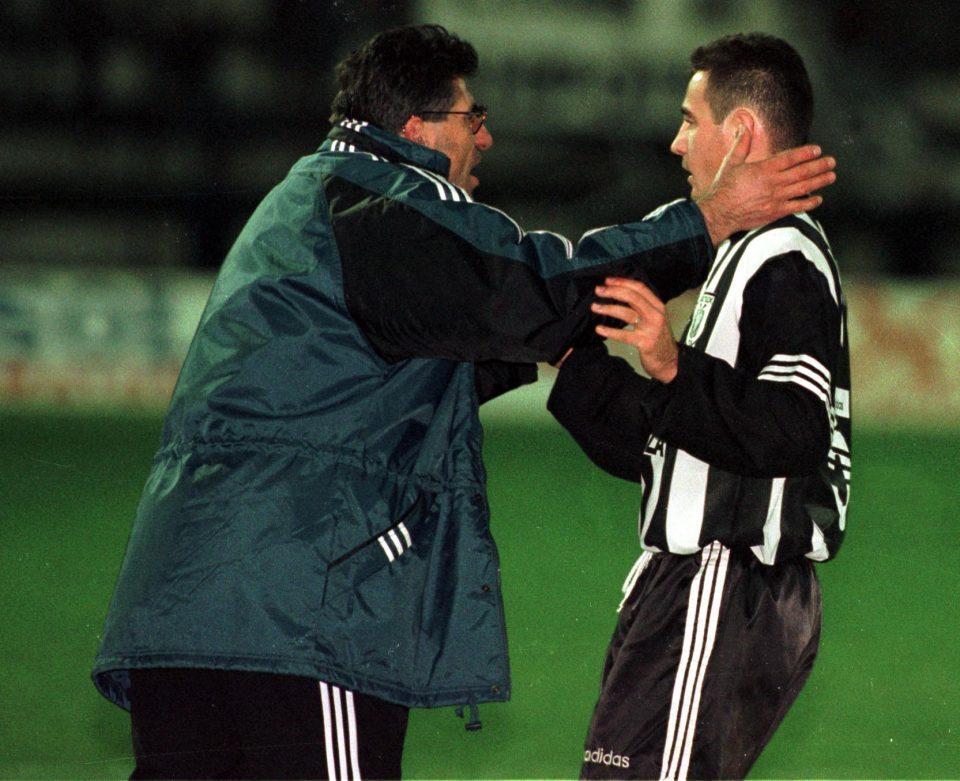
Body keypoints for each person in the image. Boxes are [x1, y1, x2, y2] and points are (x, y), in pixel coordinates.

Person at [92, 25, 835, 779]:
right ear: (417, 128)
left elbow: (446, 359)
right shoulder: (377, 204)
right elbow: (524, 288)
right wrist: (703, 223)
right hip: (295, 607)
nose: (486, 138)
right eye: (472, 117)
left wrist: (572, 350)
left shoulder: (307, 202)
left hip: (183, 602)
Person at [548, 33, 851, 780]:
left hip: (722, 584)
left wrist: (671, 364)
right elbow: (679, 447)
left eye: (691, 120)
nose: (677, 142)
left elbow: (793, 430)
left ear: (740, 133)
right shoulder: (740, 252)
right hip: (690, 587)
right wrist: (575, 367)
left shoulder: (784, 257)